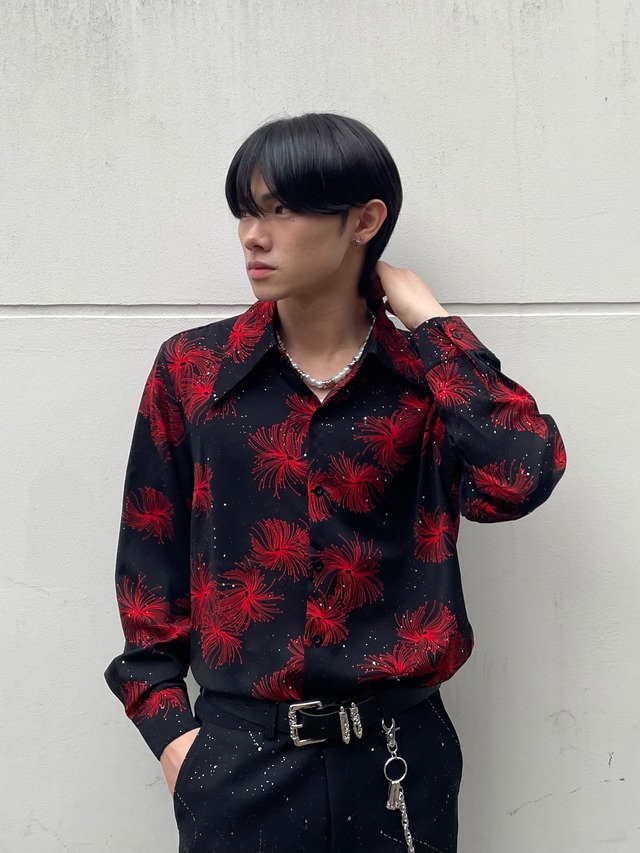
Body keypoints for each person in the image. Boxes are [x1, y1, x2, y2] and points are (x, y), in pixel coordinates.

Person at [104, 112, 567, 853]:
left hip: (398, 758)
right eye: (245, 212)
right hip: (237, 763)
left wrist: (433, 324)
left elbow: (519, 477)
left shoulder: (426, 379)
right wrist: (174, 739)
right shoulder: (192, 371)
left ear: (365, 221)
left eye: (280, 211)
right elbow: (147, 564)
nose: (252, 236)